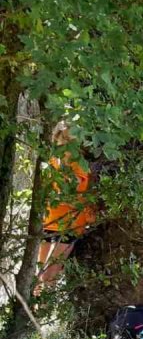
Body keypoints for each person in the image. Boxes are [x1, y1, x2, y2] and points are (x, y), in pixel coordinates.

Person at [36, 122, 96, 291]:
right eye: (63, 137)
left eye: (70, 139)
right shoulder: (53, 161)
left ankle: (43, 303)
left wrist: (60, 199)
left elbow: (75, 197)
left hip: (70, 224)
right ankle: (35, 304)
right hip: (51, 221)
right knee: (40, 275)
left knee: (48, 275)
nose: (66, 142)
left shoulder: (78, 164)